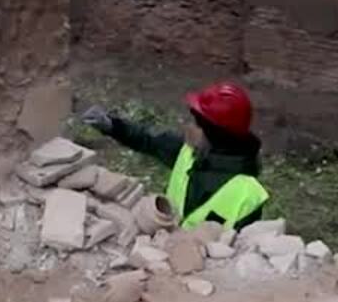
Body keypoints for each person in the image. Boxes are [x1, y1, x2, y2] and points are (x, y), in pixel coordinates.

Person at [81, 81, 268, 230]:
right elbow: (148, 139)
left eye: (196, 124)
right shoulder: (188, 151)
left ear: (214, 136)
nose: (188, 127)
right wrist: (112, 126)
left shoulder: (247, 194)